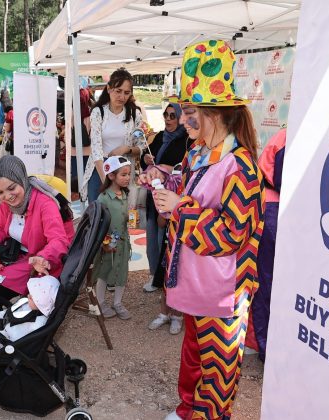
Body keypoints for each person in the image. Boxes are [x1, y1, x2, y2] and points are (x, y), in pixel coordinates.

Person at [144, 40, 265, 420]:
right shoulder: (198, 152)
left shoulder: (242, 167)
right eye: (183, 111)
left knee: (218, 374)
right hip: (196, 285)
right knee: (194, 356)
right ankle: (186, 412)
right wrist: (164, 178)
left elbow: (232, 234)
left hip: (222, 292)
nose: (182, 120)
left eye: (191, 111)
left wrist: (180, 208)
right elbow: (188, 186)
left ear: (218, 114)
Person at [0, 155, 74, 318]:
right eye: (0, 192)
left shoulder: (44, 203)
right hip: (21, 258)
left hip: (42, 265)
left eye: (12, 188)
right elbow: (0, 228)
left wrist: (42, 257)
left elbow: (59, 241)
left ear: (22, 179)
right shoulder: (8, 204)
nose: (7, 196)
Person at [142, 103, 191, 335]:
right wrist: (150, 165)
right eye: (167, 115)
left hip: (182, 218)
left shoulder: (188, 144)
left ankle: (177, 315)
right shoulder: (162, 136)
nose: (170, 119)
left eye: (175, 115)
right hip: (165, 207)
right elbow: (148, 160)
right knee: (166, 265)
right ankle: (164, 311)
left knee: (179, 271)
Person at [251, 128, 286, 362]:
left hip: (276, 208)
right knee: (269, 281)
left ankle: (269, 346)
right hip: (275, 209)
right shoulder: (288, 136)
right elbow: (285, 180)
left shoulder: (287, 135)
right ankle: (266, 348)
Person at [84, 68, 144, 202]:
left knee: (124, 214)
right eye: (118, 91)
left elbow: (141, 146)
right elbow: (96, 149)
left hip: (125, 170)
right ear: (109, 89)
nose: (122, 97)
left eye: (126, 93)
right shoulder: (98, 112)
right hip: (100, 167)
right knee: (98, 212)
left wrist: (126, 149)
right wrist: (108, 181)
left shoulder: (135, 114)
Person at [92, 156, 133, 319]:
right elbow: (97, 223)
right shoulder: (103, 198)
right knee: (105, 271)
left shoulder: (125, 195)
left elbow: (125, 218)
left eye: (129, 174)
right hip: (109, 243)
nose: (128, 178)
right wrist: (104, 242)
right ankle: (101, 302)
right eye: (123, 175)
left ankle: (117, 303)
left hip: (124, 241)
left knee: (122, 271)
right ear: (111, 176)